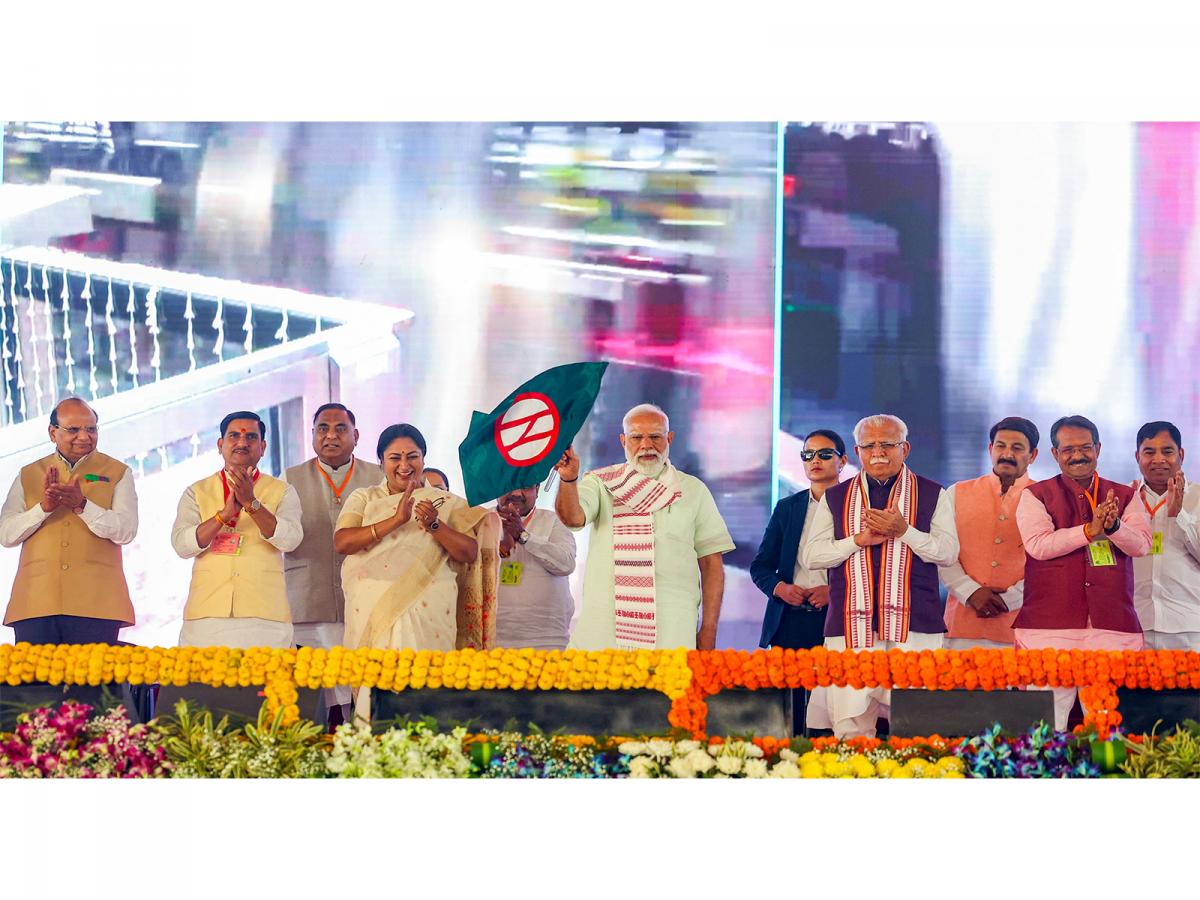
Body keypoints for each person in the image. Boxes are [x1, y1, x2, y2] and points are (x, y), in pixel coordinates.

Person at [802, 413, 959, 738]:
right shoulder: (836, 496)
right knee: (851, 728)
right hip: (850, 629)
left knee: (918, 728)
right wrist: (857, 541)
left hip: (915, 628)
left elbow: (947, 553)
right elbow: (812, 556)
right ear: (857, 452)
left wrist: (904, 531)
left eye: (887, 444)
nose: (878, 453)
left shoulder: (933, 493)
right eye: (869, 446)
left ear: (905, 448)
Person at [334, 424, 500, 719]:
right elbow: (343, 542)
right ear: (381, 462)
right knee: (376, 701)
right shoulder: (365, 497)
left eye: (412, 456)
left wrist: (435, 525)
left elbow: (469, 552)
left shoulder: (445, 502)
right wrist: (396, 520)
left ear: (423, 458)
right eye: (394, 457)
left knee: (429, 700)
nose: (404, 465)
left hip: (430, 612)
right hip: (373, 611)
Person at [554, 402, 734, 651]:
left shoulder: (693, 490)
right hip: (607, 633)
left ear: (669, 438)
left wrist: (709, 629)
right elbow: (573, 518)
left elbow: (711, 564)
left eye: (655, 437)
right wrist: (568, 479)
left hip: (672, 632)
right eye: (637, 437)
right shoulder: (601, 483)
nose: (646, 445)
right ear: (623, 441)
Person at [1014, 415, 1151, 729]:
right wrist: (1088, 531)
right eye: (1068, 449)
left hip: (1111, 627)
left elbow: (1142, 545)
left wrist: (1114, 527)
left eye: (1085, 447)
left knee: (1107, 727)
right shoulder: (1035, 495)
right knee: (1046, 729)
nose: (1078, 455)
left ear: (1098, 448)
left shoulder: (1125, 495)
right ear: (1055, 453)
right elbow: (1038, 545)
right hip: (1050, 629)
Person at [1, 398, 137, 643]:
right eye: (73, 429)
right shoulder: (28, 474)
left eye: (91, 429)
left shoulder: (118, 472)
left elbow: (126, 531)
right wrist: (43, 509)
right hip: (35, 602)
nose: (84, 437)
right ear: (52, 433)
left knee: (94, 670)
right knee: (34, 670)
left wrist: (82, 505)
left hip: (97, 601)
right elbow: (6, 535)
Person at [281, 403, 382, 723]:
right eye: (322, 429)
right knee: (313, 698)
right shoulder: (289, 478)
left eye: (340, 429)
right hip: (308, 600)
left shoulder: (379, 477)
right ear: (312, 435)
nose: (331, 436)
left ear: (356, 436)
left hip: (364, 602)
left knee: (363, 692)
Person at [170, 411, 303, 648]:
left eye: (251, 437)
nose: (242, 442)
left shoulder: (282, 491)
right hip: (206, 617)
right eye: (234, 436)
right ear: (220, 445)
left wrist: (252, 504)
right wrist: (222, 516)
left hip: (265, 617)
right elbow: (182, 545)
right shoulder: (196, 491)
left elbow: (291, 540)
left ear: (263, 447)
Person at [938, 417, 1039, 650]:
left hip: (1021, 628)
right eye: (1001, 446)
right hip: (961, 626)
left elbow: (1048, 563)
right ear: (990, 449)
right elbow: (943, 552)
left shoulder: (1045, 497)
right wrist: (970, 591)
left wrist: (1010, 599)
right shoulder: (956, 492)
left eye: (1017, 448)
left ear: (1032, 455)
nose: (1007, 454)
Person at [751, 429, 847, 650]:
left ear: (842, 461)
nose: (815, 460)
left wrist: (835, 592)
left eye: (824, 454)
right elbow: (760, 567)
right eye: (808, 455)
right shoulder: (787, 508)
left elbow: (872, 571)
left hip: (839, 619)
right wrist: (780, 588)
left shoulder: (855, 508)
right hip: (788, 620)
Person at [1129, 421, 1200, 650]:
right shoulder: (1124, 499)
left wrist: (1180, 516)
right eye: (1149, 452)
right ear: (1137, 457)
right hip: (1135, 624)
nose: (1158, 459)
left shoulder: (1198, 497)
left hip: (1189, 627)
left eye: (1167, 451)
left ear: (1181, 454)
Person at [493, 483, 577, 651]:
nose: (516, 493)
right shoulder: (480, 519)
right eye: (508, 484)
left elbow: (566, 564)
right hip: (492, 641)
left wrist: (523, 536)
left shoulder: (554, 520)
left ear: (537, 490)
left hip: (547, 641)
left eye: (525, 486)